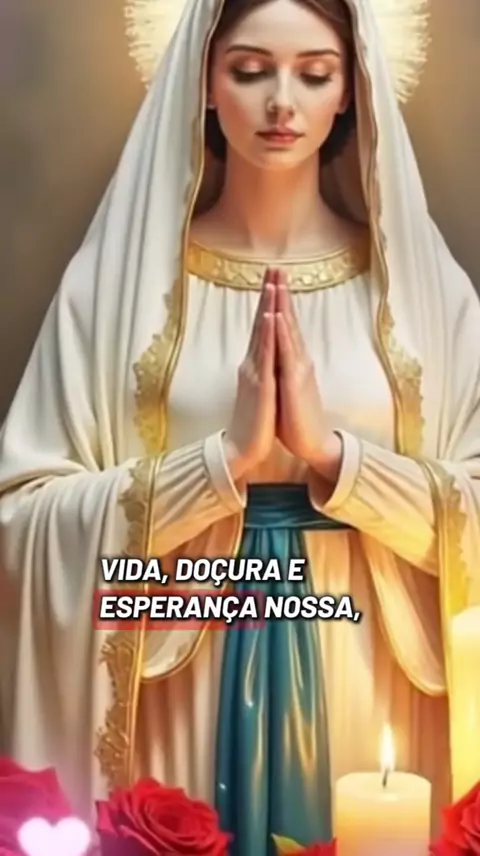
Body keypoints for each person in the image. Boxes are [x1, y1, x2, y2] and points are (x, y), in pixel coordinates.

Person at [0, 0, 479, 851]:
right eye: (250, 70)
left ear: (352, 90)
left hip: (365, 659)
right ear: (204, 82)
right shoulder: (118, 291)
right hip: (177, 669)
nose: (281, 102)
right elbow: (22, 514)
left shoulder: (416, 292)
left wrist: (338, 460)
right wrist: (220, 462)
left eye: (314, 74)